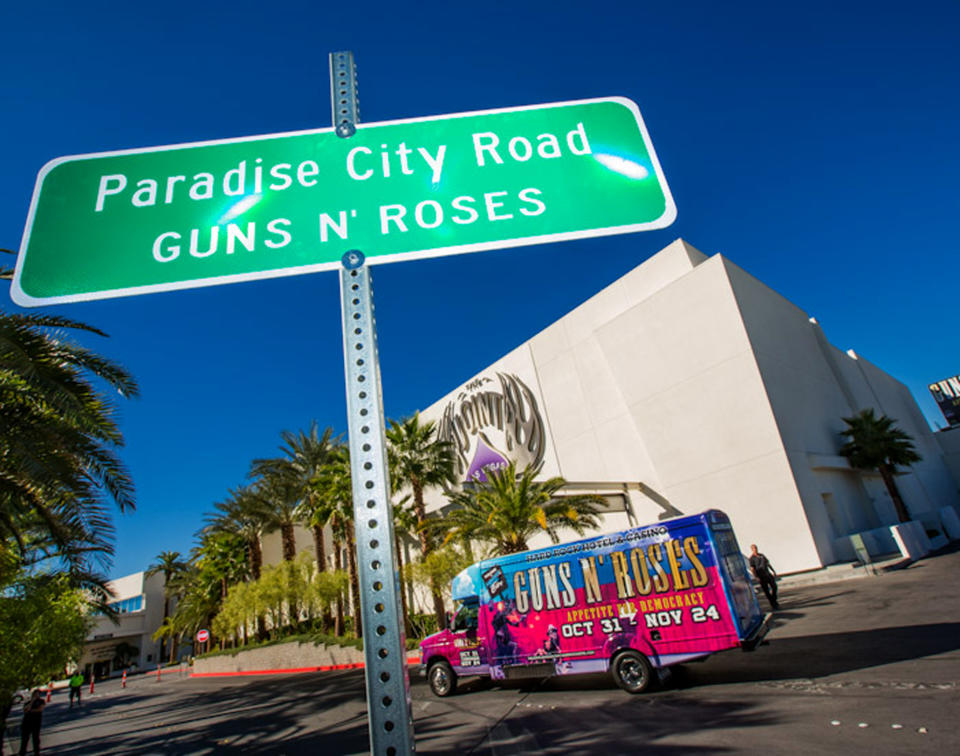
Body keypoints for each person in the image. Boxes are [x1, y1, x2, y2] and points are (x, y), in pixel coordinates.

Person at [748, 544, 779, 609]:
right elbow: (752, 569)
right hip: (761, 576)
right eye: (754, 549)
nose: (755, 549)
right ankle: (773, 603)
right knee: (766, 590)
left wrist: (773, 571)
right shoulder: (751, 559)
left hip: (767, 573)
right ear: (752, 550)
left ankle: (774, 599)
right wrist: (756, 577)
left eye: (756, 548)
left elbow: (768, 563)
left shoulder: (761, 555)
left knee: (774, 586)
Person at [19, 689, 45, 756]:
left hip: (36, 722)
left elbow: (40, 709)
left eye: (38, 694)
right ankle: (22, 752)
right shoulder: (28, 702)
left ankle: (37, 752)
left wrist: (30, 710)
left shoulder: (41, 701)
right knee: (24, 739)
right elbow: (25, 710)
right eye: (35, 694)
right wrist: (32, 702)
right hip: (26, 722)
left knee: (36, 739)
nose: (36, 695)